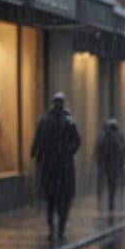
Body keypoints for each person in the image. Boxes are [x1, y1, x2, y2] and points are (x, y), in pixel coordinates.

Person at [31, 92, 81, 239]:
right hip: (52, 165)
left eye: (60, 102)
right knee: (52, 200)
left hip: (63, 166)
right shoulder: (46, 120)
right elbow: (38, 138)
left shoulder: (69, 120)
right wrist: (37, 153)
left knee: (61, 200)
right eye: (57, 102)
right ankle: (54, 229)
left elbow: (77, 140)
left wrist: (67, 151)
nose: (59, 105)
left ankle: (59, 229)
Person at [94, 118, 125, 212]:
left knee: (109, 184)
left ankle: (107, 201)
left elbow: (98, 150)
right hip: (112, 165)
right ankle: (108, 201)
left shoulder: (108, 136)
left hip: (110, 165)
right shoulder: (109, 137)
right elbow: (123, 151)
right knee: (111, 184)